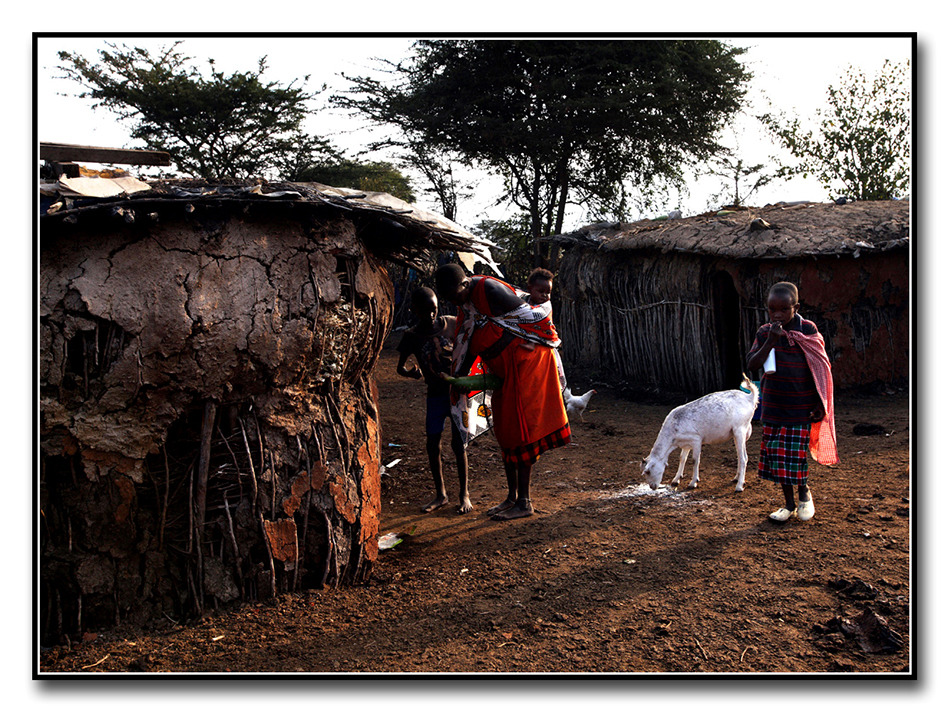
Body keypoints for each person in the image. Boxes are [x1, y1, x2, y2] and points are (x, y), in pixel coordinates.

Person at [434, 263, 570, 521]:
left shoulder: (490, 290)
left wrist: (533, 342)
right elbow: (470, 335)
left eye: (456, 297)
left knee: (522, 431)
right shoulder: (466, 301)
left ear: (464, 285)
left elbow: (537, 318)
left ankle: (524, 502)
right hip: (504, 372)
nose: (456, 303)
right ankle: (511, 497)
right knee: (505, 430)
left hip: (527, 366)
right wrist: (459, 376)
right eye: (450, 300)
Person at [747, 281, 838, 523]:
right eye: (772, 310)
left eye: (783, 310)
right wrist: (770, 341)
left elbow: (820, 368)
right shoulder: (765, 332)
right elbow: (752, 365)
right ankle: (787, 504)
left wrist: (820, 403)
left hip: (801, 406)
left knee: (795, 456)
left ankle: (804, 494)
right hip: (774, 404)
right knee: (778, 456)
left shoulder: (807, 330)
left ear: (795, 307)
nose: (777, 315)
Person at [396, 287, 472, 514]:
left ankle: (464, 494)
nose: (430, 315)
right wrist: (411, 373)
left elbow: (468, 343)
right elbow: (400, 367)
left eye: (433, 309)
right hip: (435, 395)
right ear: (414, 311)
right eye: (424, 311)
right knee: (433, 443)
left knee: (459, 444)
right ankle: (441, 494)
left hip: (457, 394)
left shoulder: (450, 323)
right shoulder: (411, 336)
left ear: (438, 306)